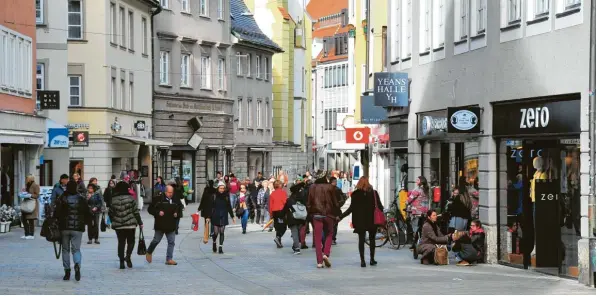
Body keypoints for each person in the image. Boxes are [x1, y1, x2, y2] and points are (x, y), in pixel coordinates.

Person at [340, 177, 383, 267]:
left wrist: (341, 217)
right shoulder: (374, 193)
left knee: (361, 240)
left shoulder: (355, 194)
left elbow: (350, 208)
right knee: (372, 240)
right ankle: (372, 259)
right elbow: (380, 207)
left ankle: (362, 261)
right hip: (372, 220)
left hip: (360, 221)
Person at [54, 180, 91, 281]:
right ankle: (77, 265)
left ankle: (67, 271)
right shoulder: (81, 199)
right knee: (76, 249)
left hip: (64, 228)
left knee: (65, 250)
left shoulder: (62, 198)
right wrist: (86, 223)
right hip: (77, 228)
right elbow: (87, 213)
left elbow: (56, 213)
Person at [307, 175, 340, 268]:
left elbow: (309, 202)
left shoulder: (312, 187)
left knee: (317, 238)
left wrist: (310, 214)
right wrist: (337, 213)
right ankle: (326, 253)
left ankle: (319, 262)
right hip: (329, 215)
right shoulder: (330, 187)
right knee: (329, 234)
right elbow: (335, 202)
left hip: (316, 215)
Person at [109, 181, 143, 269]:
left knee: (121, 242)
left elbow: (110, 213)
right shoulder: (131, 198)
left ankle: (121, 262)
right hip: (130, 224)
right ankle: (128, 256)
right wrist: (140, 222)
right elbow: (135, 212)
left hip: (119, 226)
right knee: (131, 241)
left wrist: (115, 220)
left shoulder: (113, 199)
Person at [146, 185, 182, 265]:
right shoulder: (158, 199)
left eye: (172, 192)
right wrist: (158, 213)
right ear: (165, 192)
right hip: (160, 224)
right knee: (156, 240)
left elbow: (179, 209)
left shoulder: (175, 199)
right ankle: (149, 251)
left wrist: (177, 213)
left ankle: (169, 259)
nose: (170, 194)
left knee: (171, 242)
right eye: (169, 192)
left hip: (171, 224)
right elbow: (150, 209)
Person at [210, 182, 235, 254]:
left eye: (223, 188)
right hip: (215, 215)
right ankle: (214, 242)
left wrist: (232, 216)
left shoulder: (226, 196)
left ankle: (220, 247)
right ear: (218, 188)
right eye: (220, 188)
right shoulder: (214, 196)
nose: (222, 190)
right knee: (216, 232)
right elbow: (210, 207)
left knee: (222, 231)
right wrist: (208, 216)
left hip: (224, 215)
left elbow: (229, 206)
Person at [407, 176, 430, 249]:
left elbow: (410, 198)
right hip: (425, 211)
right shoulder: (427, 189)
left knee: (415, 227)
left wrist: (406, 203)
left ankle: (415, 243)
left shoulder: (418, 189)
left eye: (417, 180)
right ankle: (417, 242)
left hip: (417, 211)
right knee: (421, 227)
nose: (416, 181)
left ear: (421, 181)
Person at [286, 182, 307, 254]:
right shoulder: (302, 198)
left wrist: (279, 215)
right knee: (298, 232)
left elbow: (285, 209)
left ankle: (297, 248)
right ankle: (295, 245)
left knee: (294, 233)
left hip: (292, 218)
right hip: (301, 218)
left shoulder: (290, 199)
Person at [269, 180, 288, 248]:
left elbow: (270, 205)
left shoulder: (272, 194)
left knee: (277, 227)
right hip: (281, 211)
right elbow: (285, 202)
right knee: (284, 227)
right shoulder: (283, 193)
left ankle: (279, 242)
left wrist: (271, 214)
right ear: (280, 185)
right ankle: (278, 237)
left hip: (274, 212)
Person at [329, 177, 347, 245]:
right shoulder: (337, 189)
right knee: (335, 225)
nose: (336, 183)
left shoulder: (326, 189)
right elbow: (343, 198)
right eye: (335, 181)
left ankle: (330, 238)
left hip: (328, 210)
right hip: (336, 210)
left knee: (329, 225)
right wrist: (339, 205)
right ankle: (333, 239)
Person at [21, 175, 40, 239]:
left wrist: (30, 195)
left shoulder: (35, 185)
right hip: (26, 203)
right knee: (24, 219)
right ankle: (26, 234)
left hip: (32, 204)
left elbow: (37, 195)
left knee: (31, 220)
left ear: (30, 179)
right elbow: (26, 193)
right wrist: (24, 193)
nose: (26, 180)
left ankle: (31, 234)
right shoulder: (27, 185)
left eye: (27, 178)